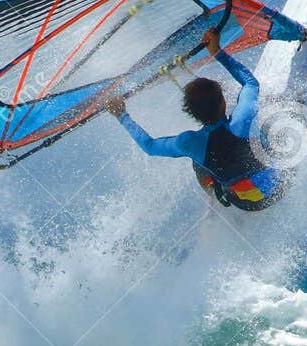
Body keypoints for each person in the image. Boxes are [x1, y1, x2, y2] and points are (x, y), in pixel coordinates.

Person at [107, 29, 284, 211]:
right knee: (259, 123)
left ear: (191, 113)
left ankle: (214, 194)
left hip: (245, 204)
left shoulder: (189, 142)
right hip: (279, 188)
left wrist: (121, 114)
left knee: (198, 161)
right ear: (223, 103)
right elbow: (250, 83)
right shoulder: (240, 120)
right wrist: (217, 51)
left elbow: (149, 146)